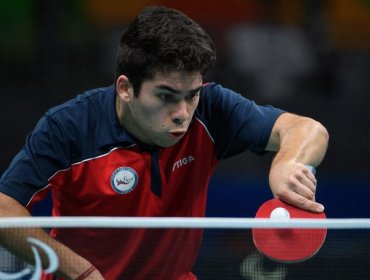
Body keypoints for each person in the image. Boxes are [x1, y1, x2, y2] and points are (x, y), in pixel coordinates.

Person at [0, 5, 329, 280]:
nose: (182, 114)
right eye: (167, 96)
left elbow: (308, 129)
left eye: (192, 95)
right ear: (126, 88)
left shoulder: (213, 110)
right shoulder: (70, 126)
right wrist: (80, 272)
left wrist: (289, 162)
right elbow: (4, 209)